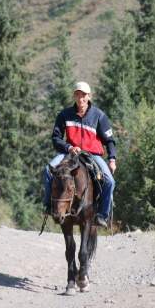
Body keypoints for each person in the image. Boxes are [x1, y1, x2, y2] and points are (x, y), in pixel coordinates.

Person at [43, 81, 116, 228]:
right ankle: (48, 206)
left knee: (109, 181)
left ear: (89, 96)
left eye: (84, 95)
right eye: (78, 95)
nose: (81, 98)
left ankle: (102, 215)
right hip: (69, 153)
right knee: (48, 170)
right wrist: (68, 147)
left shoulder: (99, 116)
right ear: (74, 96)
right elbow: (56, 138)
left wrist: (112, 159)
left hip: (92, 154)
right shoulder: (64, 115)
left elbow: (109, 141)